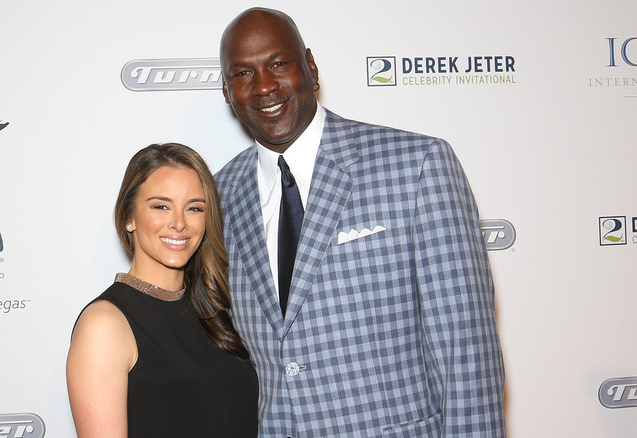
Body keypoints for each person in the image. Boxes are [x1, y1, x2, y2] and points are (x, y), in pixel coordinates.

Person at [215, 8, 505, 437]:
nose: (263, 86)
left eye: (279, 63)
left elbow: (466, 350)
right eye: (242, 73)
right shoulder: (217, 195)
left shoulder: (416, 165)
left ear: (310, 67)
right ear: (226, 91)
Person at [67, 143, 258, 438]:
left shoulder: (216, 311)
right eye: (161, 206)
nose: (179, 223)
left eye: (194, 208)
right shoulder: (105, 324)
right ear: (129, 217)